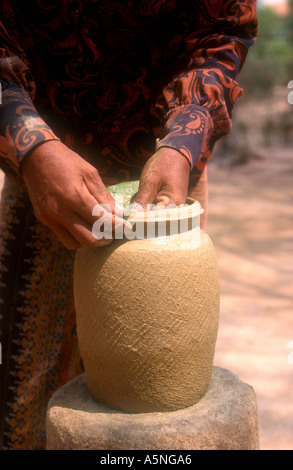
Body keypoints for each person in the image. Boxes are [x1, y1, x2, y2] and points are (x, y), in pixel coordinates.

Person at [0, 0, 258, 449]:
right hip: (40, 172)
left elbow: (224, 31)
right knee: (26, 402)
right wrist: (27, 142)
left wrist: (186, 138)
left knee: (157, 417)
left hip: (167, 173)